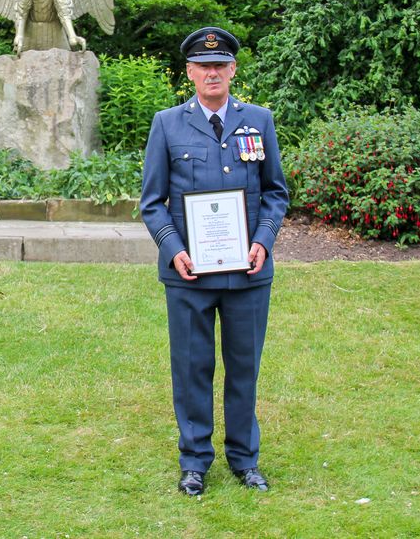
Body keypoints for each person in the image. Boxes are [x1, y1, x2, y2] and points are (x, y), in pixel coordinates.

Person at [140, 27, 288, 496]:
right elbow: (152, 201)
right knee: (192, 368)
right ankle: (195, 461)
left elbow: (275, 193)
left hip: (247, 271)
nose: (212, 74)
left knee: (244, 368)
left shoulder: (259, 120)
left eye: (220, 66)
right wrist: (172, 247)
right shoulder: (167, 124)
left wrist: (263, 240)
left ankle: (245, 459)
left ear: (232, 71)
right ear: (190, 73)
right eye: (204, 67)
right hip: (188, 274)